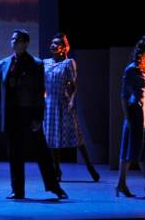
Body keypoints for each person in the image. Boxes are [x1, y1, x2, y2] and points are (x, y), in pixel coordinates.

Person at [0, 29, 67, 200]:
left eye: (16, 39)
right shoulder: (3, 64)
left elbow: (40, 92)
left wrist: (38, 117)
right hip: (11, 113)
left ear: (25, 43)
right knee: (15, 153)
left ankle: (54, 187)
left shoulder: (36, 64)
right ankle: (17, 190)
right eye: (12, 39)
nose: (13, 42)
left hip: (28, 113)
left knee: (41, 152)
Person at [43, 33, 99, 182]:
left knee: (76, 136)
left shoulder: (68, 63)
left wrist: (71, 101)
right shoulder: (45, 63)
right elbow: (43, 85)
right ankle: (56, 171)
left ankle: (90, 168)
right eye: (52, 43)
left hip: (63, 102)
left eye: (57, 44)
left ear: (64, 48)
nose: (53, 46)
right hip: (49, 105)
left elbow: (74, 85)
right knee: (52, 138)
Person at [116, 36, 145, 199]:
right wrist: (128, 119)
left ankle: (125, 185)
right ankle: (144, 185)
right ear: (144, 52)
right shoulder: (132, 69)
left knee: (143, 149)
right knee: (131, 148)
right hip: (136, 112)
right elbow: (123, 96)